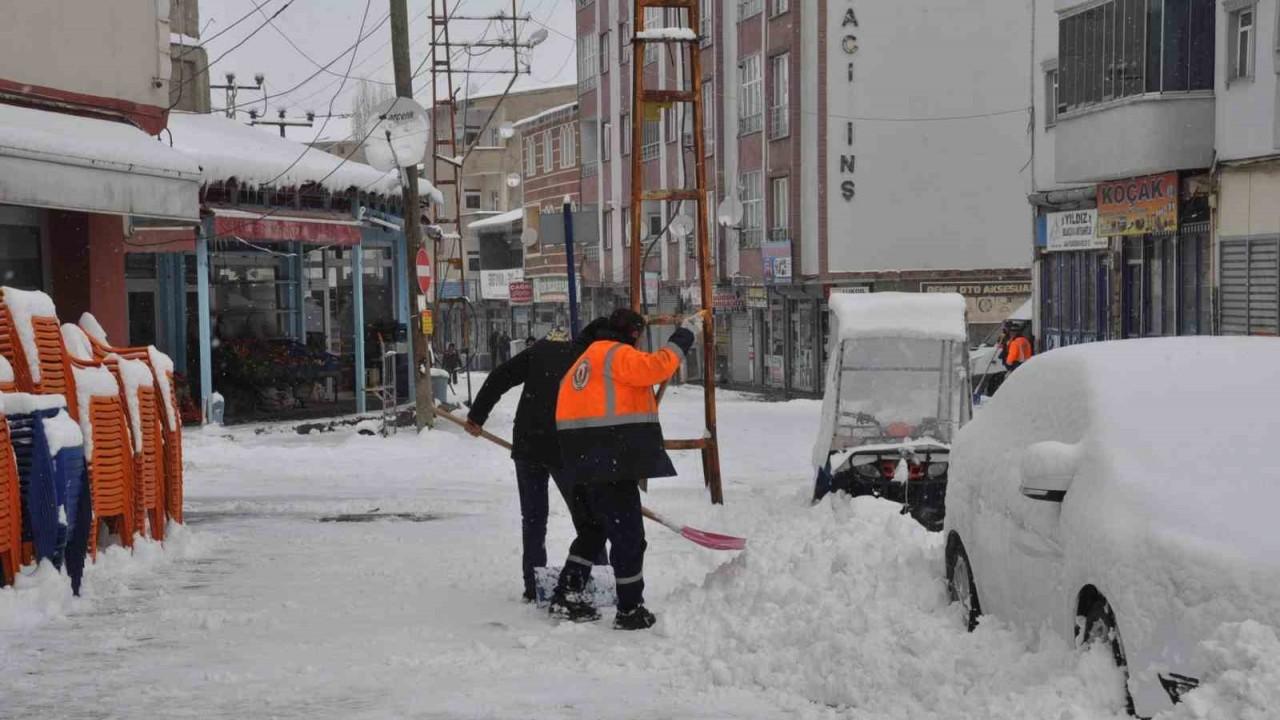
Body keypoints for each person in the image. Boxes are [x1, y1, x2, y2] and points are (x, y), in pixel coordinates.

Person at [550, 308, 702, 630]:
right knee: (629, 537)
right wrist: (685, 334)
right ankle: (630, 608)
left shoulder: (585, 360)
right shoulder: (616, 355)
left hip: (581, 463)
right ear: (633, 333)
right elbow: (657, 367)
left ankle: (568, 593)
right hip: (610, 462)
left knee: (592, 532)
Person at [464, 320, 609, 602]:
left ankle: (533, 585)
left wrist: (476, 417)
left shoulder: (539, 351)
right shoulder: (588, 360)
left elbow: (499, 377)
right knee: (588, 519)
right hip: (562, 447)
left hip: (529, 443)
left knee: (533, 519)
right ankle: (600, 575)